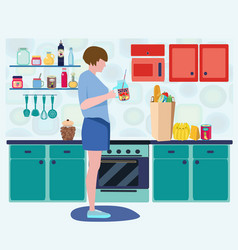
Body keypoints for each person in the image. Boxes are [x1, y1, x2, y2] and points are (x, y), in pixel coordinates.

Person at [78, 46, 116, 219]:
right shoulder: (85, 77)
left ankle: (92, 208)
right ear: (95, 59)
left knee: (95, 167)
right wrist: (107, 96)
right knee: (93, 168)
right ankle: (91, 209)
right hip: (94, 124)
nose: (105, 64)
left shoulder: (93, 78)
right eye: (103, 60)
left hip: (100, 125)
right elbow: (84, 105)